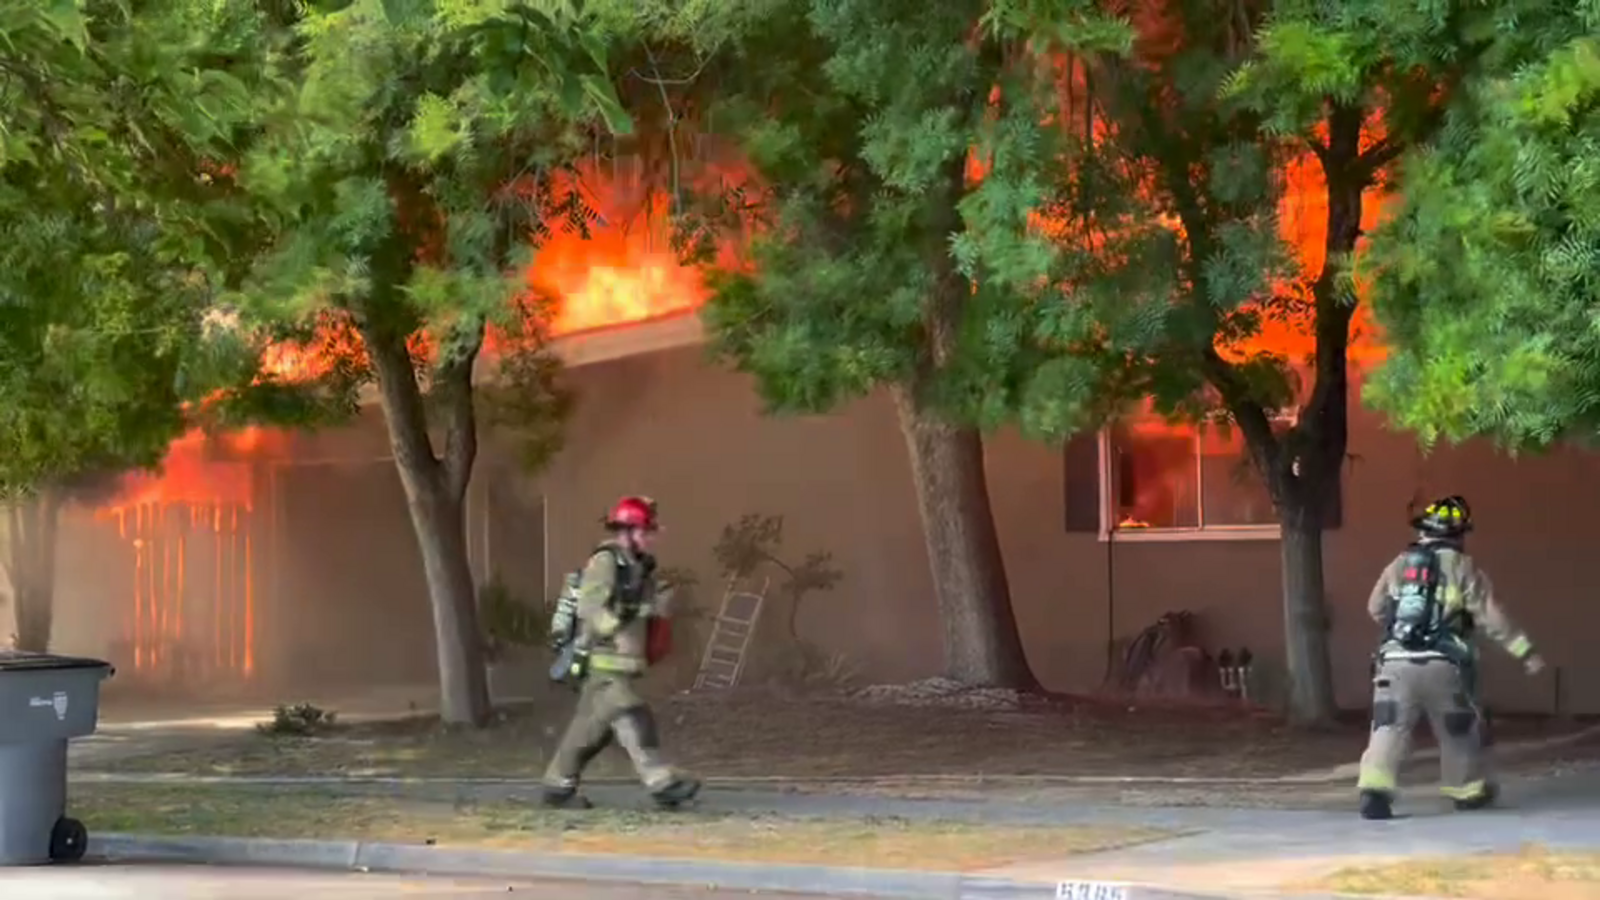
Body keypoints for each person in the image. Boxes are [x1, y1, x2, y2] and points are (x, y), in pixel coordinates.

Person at [1356, 495, 1546, 820]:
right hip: (1444, 665)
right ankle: (1467, 791)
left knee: (1388, 725)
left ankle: (1374, 792)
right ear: (1459, 534)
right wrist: (1524, 652)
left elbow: (1375, 608)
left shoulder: (1400, 564)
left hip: (1394, 664)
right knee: (1457, 727)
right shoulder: (1462, 567)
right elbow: (1491, 617)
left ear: (1424, 531)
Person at [541, 495, 700, 810]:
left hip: (622, 664)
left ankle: (557, 786)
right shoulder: (606, 562)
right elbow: (590, 608)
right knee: (633, 715)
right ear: (625, 531)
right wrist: (621, 619)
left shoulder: (637, 568)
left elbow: (641, 614)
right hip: (602, 661)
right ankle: (660, 782)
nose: (649, 537)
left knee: (590, 732)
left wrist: (655, 610)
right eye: (644, 530)